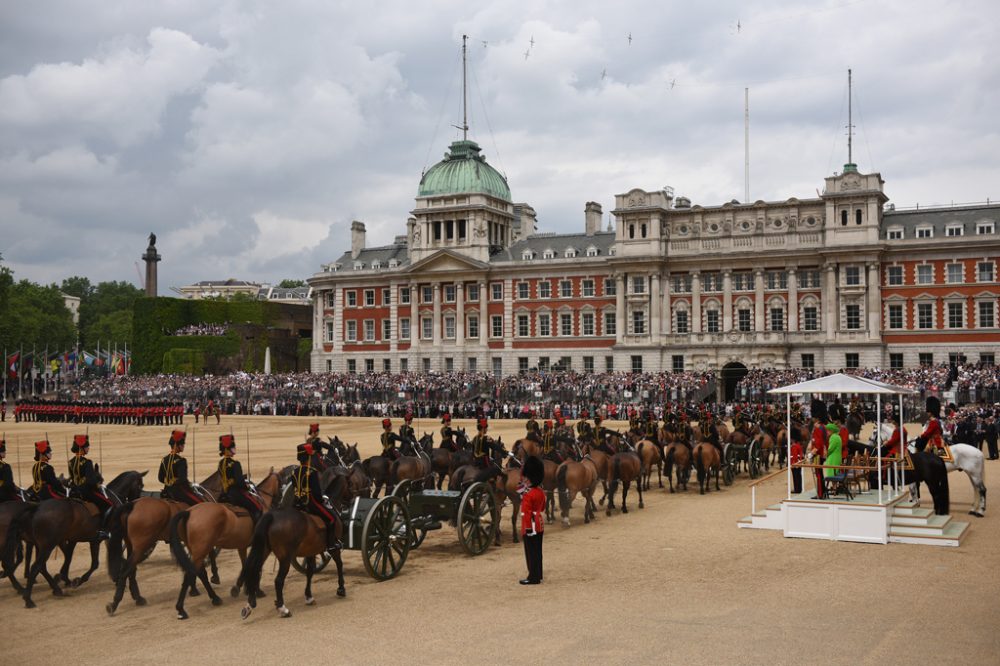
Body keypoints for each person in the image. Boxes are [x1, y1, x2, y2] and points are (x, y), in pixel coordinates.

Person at [292, 443, 341, 555]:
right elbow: (317, 494)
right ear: (308, 457)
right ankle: (331, 545)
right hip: (310, 503)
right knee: (332, 519)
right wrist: (322, 500)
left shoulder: (293, 472)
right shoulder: (312, 472)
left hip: (296, 504)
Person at [68, 434, 115, 537]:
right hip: (86, 492)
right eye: (86, 447)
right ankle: (103, 529)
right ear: (81, 448)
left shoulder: (70, 462)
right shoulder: (87, 462)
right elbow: (90, 481)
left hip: (75, 491)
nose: (88, 448)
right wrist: (97, 485)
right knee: (108, 504)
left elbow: (72, 478)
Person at [217, 435, 261, 522]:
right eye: (232, 448)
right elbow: (240, 482)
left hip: (225, 493)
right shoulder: (235, 464)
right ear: (227, 449)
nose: (234, 450)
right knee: (256, 507)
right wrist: (247, 487)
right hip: (236, 494)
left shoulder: (220, 463)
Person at [519, 455, 545, 585]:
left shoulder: (528, 494)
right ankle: (538, 574)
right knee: (538, 551)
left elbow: (526, 513)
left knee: (531, 552)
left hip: (531, 526)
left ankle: (533, 577)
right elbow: (543, 507)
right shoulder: (540, 492)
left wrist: (528, 528)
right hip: (539, 524)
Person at [159, 430, 203, 505]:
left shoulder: (164, 460)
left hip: (166, 491)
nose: (183, 446)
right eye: (182, 444)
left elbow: (160, 478)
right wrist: (190, 486)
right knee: (200, 503)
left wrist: (169, 483)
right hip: (178, 493)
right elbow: (183, 480)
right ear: (177, 445)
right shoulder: (181, 461)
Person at [808, 399, 828, 499]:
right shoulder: (822, 426)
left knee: (819, 475)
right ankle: (822, 492)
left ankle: (820, 494)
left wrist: (811, 453)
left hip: (818, 455)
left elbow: (818, 444)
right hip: (820, 454)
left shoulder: (818, 428)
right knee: (819, 474)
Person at [0, 436, 23, 502]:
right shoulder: (5, 466)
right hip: (3, 494)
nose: (5, 452)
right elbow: (8, 484)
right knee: (21, 503)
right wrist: (15, 490)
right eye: (3, 451)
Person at [790, 428, 804, 494]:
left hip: (795, 464)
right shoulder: (798, 445)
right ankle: (798, 488)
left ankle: (797, 489)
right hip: (798, 463)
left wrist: (793, 464)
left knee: (796, 477)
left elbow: (794, 456)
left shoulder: (794, 446)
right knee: (798, 476)